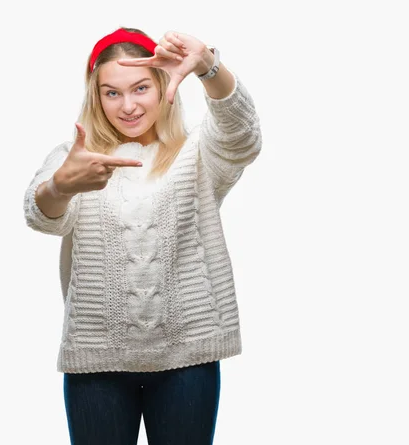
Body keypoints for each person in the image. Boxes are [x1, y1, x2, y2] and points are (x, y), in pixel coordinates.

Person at [23, 26, 262, 445]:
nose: (128, 106)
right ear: (95, 97)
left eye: (140, 88)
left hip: (187, 362)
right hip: (97, 364)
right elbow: (43, 217)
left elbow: (243, 136)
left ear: (164, 86)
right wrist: (61, 186)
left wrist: (209, 65)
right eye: (111, 92)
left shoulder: (199, 153)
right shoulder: (76, 159)